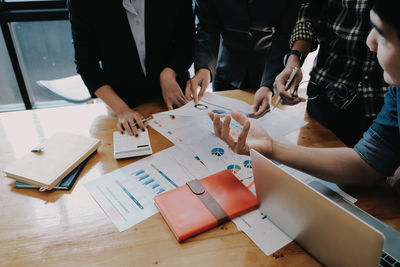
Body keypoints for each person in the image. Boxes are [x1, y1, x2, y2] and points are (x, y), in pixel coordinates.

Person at [209, 0, 400, 188]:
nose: (369, 42)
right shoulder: (396, 95)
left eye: (382, 35)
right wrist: (271, 147)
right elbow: (367, 163)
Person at [68, 0, 194, 136]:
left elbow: (186, 42)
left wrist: (170, 72)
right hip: (120, 100)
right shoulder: (82, 3)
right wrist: (122, 110)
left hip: (173, 96)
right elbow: (87, 65)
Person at [274, 0, 387, 147]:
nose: (371, 42)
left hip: (384, 101)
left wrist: (273, 149)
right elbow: (310, 14)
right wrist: (294, 58)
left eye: (383, 37)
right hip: (329, 94)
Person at [186, 0, 301, 118]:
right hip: (226, 72)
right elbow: (207, 27)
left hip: (268, 72)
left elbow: (285, 35)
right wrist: (205, 67)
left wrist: (268, 85)